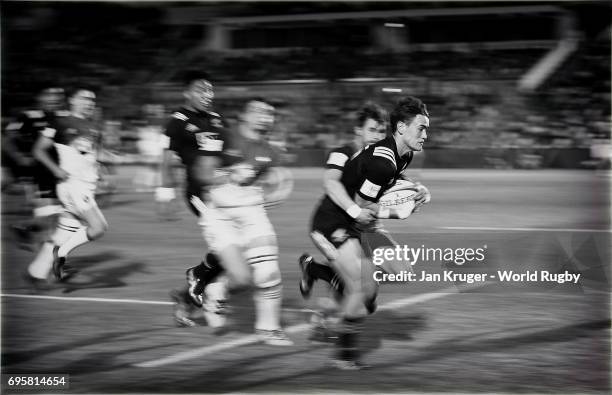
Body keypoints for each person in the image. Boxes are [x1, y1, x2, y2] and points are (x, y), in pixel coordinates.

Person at [157, 72, 292, 345]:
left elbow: (239, 155)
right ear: (187, 93)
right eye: (201, 90)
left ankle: (191, 290)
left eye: (210, 90)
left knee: (236, 255)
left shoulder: (217, 121)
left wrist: (262, 178)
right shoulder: (177, 122)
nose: (208, 95)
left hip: (225, 192)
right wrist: (164, 192)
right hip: (201, 193)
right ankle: (201, 281)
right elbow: (167, 158)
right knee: (233, 255)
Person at [307, 96, 431, 369]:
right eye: (421, 128)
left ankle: (324, 275)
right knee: (362, 288)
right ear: (400, 128)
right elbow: (365, 208)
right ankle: (345, 353)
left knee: (394, 277)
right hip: (333, 223)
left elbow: (393, 182)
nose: (426, 134)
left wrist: (415, 191)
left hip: (357, 223)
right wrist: (402, 209)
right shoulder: (380, 161)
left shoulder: (403, 154)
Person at [298, 102, 388, 316]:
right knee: (356, 286)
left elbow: (371, 199)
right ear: (358, 130)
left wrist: (382, 220)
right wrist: (355, 211)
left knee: (370, 294)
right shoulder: (342, 153)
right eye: (372, 130)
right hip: (329, 225)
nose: (377, 135)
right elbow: (331, 183)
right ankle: (336, 330)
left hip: (355, 228)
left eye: (382, 131)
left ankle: (315, 271)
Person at [26, 88, 108, 285]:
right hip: (73, 185)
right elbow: (38, 150)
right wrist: (56, 170)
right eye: (84, 98)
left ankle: (35, 273)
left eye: (92, 99)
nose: (89, 103)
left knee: (64, 232)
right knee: (98, 227)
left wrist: (101, 171)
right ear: (72, 100)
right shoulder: (59, 122)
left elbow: (90, 155)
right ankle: (61, 254)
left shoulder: (94, 125)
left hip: (87, 186)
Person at [2, 87, 67, 250]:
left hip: (53, 171)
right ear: (41, 99)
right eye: (49, 98)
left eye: (57, 99)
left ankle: (29, 235)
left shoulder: (62, 119)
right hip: (35, 170)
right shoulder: (29, 116)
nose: (53, 102)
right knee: (52, 213)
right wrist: (18, 156)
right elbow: (6, 138)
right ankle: (49, 258)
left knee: (53, 214)